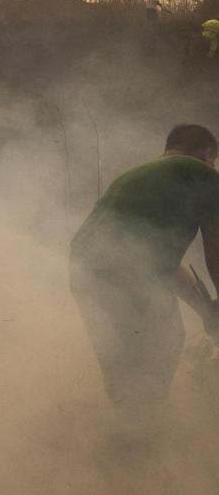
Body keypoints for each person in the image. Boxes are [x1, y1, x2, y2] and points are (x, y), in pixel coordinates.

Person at [69, 124, 219, 443]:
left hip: (85, 270)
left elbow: (163, 262)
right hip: (128, 269)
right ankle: (144, 437)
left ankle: (126, 436)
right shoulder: (206, 176)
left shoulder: (136, 175)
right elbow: (216, 250)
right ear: (208, 154)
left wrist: (205, 309)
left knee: (121, 355)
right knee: (163, 339)